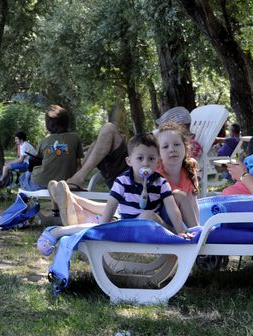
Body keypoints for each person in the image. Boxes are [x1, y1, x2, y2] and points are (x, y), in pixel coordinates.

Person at [36, 133, 193, 256]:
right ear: (129, 161)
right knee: (137, 218)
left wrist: (180, 230)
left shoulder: (160, 182)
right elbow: (111, 205)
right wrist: (103, 229)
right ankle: (55, 231)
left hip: (154, 224)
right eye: (140, 158)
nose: (145, 163)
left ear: (158, 162)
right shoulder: (122, 181)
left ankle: (182, 234)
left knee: (157, 210)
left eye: (151, 159)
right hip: (129, 225)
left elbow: (172, 208)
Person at [19, 105, 84, 191]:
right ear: (67, 122)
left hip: (41, 183)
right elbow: (78, 165)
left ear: (48, 124)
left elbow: (38, 160)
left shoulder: (44, 141)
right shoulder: (75, 138)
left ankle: (29, 203)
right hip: (66, 183)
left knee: (23, 177)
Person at [65, 105, 129, 190]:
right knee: (95, 143)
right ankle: (74, 178)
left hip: (131, 178)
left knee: (108, 128)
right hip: (125, 175)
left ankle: (77, 179)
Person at [155, 122, 200, 228]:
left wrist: (198, 226)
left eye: (177, 144)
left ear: (185, 147)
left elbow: (193, 202)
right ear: (158, 153)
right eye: (165, 147)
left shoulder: (189, 168)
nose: (172, 149)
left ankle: (196, 235)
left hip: (179, 220)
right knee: (178, 195)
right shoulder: (156, 173)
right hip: (159, 222)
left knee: (181, 196)